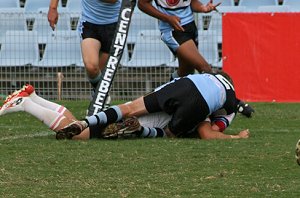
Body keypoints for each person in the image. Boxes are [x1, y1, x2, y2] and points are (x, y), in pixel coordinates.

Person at [0, 83, 249, 140]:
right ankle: (27, 105)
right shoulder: (219, 108)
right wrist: (236, 138)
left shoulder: (199, 82)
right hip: (149, 122)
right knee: (80, 135)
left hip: (145, 105)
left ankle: (32, 96)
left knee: (81, 123)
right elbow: (208, 132)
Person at [137, 0, 254, 117]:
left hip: (190, 27)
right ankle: (235, 103)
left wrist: (202, 8)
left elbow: (191, 2)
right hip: (173, 30)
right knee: (204, 67)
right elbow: (142, 4)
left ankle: (164, 102)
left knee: (186, 71)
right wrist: (167, 18)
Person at [55, 71, 251, 139]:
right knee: (170, 134)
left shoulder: (206, 76)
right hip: (198, 103)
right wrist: (237, 137)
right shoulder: (231, 103)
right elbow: (208, 133)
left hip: (184, 84)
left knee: (130, 107)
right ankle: (139, 130)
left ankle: (84, 122)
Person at [48, 0, 122, 105]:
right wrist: (53, 8)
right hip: (89, 24)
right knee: (92, 67)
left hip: (114, 25)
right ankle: (101, 97)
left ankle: (99, 99)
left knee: (102, 73)